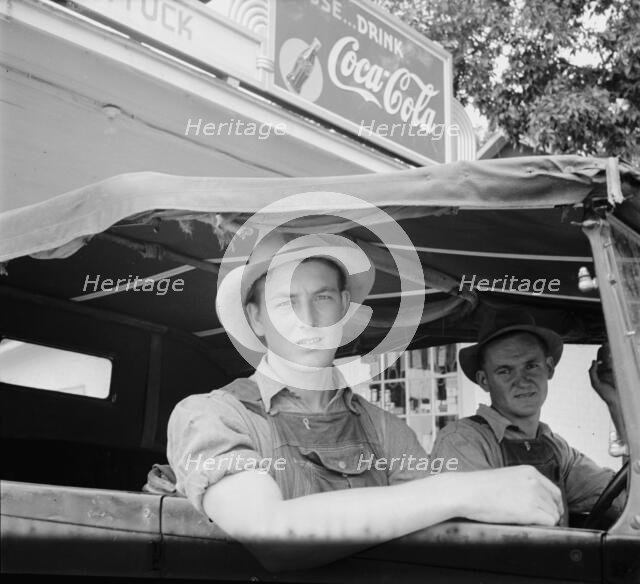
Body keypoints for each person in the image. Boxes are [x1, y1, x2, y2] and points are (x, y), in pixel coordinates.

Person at [166, 233, 564, 572]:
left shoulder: (385, 431)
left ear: (343, 306)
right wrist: (465, 491)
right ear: (256, 319)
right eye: (286, 303)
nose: (307, 318)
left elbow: (436, 545)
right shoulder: (210, 416)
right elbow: (272, 536)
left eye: (321, 297)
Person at [431, 310, 627, 526]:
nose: (522, 381)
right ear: (484, 380)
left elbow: (625, 500)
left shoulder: (556, 449)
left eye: (531, 366)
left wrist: (616, 403)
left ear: (549, 368)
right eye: (505, 371)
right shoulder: (463, 440)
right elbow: (474, 540)